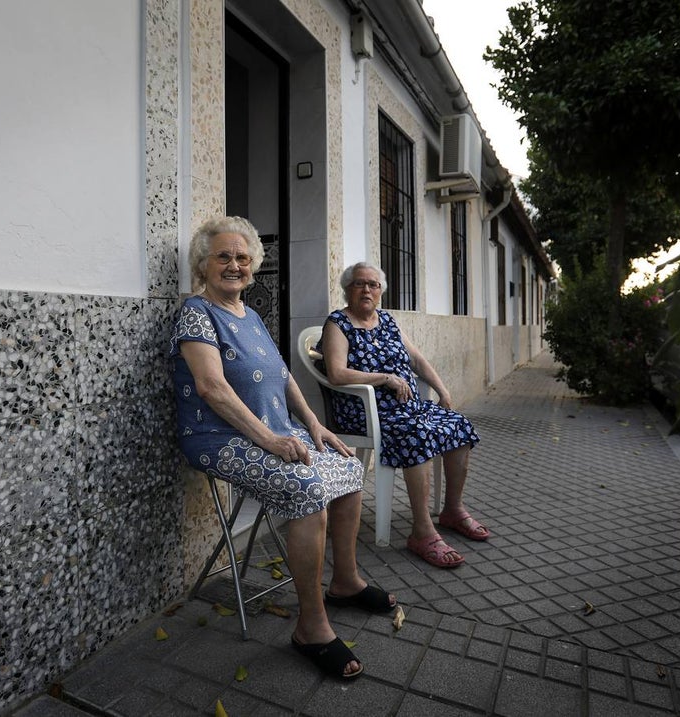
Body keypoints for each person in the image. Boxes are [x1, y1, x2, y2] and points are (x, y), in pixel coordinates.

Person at [171, 217, 396, 680]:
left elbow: (285, 376)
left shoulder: (250, 316)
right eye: (223, 256)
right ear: (202, 264)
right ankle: (311, 627)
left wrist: (314, 424)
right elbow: (211, 387)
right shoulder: (196, 312)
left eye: (243, 258)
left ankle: (345, 581)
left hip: (275, 430)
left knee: (348, 468)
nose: (234, 265)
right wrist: (271, 440)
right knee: (308, 488)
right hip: (218, 438)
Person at [319, 261, 489, 569]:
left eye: (373, 284)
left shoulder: (387, 320)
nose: (366, 289)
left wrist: (442, 390)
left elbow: (417, 360)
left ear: (381, 291)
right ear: (347, 289)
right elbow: (337, 373)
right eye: (359, 283)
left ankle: (452, 509)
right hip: (365, 411)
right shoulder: (338, 324)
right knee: (417, 433)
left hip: (407, 408)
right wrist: (384, 378)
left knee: (458, 425)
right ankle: (422, 531)